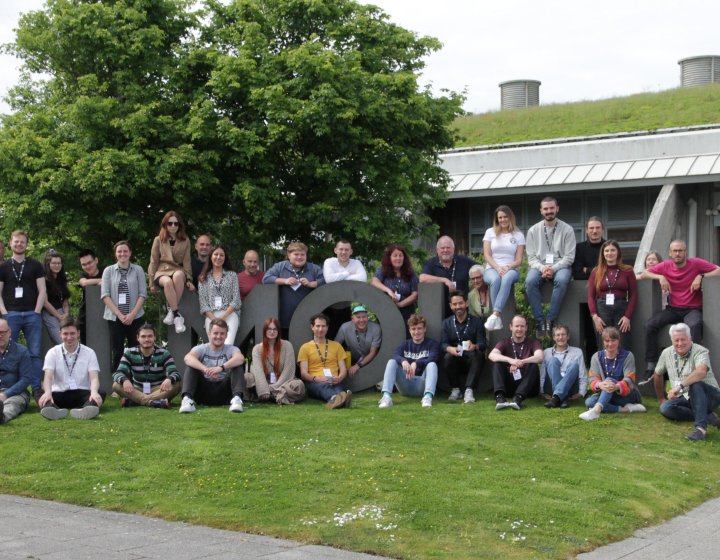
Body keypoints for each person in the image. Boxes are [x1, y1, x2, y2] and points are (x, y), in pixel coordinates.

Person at [639, 240, 720, 376]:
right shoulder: (665, 266)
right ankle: (651, 365)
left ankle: (694, 365)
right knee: (650, 325)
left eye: (680, 250)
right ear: (670, 253)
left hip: (693, 309)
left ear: (685, 252)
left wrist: (701, 276)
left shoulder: (696, 263)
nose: (678, 253)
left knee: (695, 325)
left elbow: (718, 270)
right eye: (675, 251)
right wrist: (660, 277)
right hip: (673, 309)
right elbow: (644, 274)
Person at [652, 323, 720, 441]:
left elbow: (701, 371)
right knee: (665, 408)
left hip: (709, 396)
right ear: (671, 340)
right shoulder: (666, 353)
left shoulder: (700, 351)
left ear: (690, 338)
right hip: (685, 397)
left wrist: (680, 386)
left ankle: (700, 429)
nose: (680, 343)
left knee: (696, 384)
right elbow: (657, 374)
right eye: (676, 340)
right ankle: (706, 416)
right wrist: (661, 398)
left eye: (683, 339)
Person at [0, 230, 46, 401]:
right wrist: (4, 313)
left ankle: (35, 389)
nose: (19, 244)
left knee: (34, 352)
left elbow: (42, 290)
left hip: (31, 315)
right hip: (10, 314)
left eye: (22, 242)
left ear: (27, 244)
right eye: (16, 241)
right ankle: (11, 387)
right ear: (11, 243)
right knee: (8, 351)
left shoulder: (35, 265)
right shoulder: (3, 267)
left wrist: (36, 311)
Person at [524, 197, 576, 338]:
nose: (549, 211)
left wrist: (553, 268)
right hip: (539, 265)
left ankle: (551, 320)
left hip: (561, 265)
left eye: (551, 208)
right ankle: (540, 321)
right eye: (546, 209)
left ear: (557, 208)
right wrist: (543, 269)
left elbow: (569, 257)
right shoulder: (533, 230)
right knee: (529, 282)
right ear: (541, 211)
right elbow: (531, 258)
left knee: (562, 280)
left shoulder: (567, 229)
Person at [38, 317, 105, 420]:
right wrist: (47, 392)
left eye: (72, 333)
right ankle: (52, 410)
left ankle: (86, 409)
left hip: (81, 393)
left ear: (78, 333)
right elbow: (48, 377)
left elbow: (94, 378)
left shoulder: (89, 352)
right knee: (39, 393)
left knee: (100, 393)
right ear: (60, 334)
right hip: (58, 393)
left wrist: (94, 392)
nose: (69, 337)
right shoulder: (52, 352)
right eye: (65, 334)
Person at [179, 319, 246, 413]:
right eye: (215, 333)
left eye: (222, 333)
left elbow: (240, 358)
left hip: (225, 392)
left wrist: (220, 368)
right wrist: (206, 369)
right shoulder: (201, 348)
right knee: (191, 367)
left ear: (226, 335)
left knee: (237, 365)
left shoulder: (232, 349)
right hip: (204, 392)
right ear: (209, 333)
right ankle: (187, 400)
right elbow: (187, 358)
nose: (219, 336)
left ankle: (237, 400)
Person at [579, 326, 646, 421]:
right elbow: (593, 379)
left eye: (613, 340)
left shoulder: (628, 355)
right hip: (607, 393)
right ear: (603, 342)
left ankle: (597, 410)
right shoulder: (596, 357)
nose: (610, 344)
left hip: (627, 395)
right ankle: (625, 409)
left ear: (618, 341)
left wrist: (616, 387)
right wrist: (600, 384)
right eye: (607, 341)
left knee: (609, 380)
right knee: (589, 402)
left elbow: (630, 379)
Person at [101, 241, 147, 373]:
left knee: (137, 348)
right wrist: (120, 315)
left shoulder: (138, 270)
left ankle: (136, 378)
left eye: (125, 251)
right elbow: (105, 295)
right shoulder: (108, 271)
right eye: (119, 251)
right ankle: (118, 381)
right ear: (115, 254)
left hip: (135, 316)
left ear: (130, 253)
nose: (122, 254)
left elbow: (142, 294)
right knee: (117, 349)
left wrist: (132, 314)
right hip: (115, 318)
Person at [112, 323, 181, 408]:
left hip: (158, 389)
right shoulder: (129, 353)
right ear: (138, 338)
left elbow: (175, 373)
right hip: (137, 390)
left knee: (177, 385)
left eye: (150, 336)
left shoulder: (164, 353)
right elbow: (118, 373)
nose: (147, 339)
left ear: (154, 337)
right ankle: (154, 403)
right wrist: (125, 380)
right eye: (143, 336)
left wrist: (169, 379)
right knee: (116, 385)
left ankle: (136, 401)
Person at [378, 313, 439, 408]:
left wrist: (416, 363)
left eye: (419, 328)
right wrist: (403, 361)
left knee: (432, 365)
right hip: (405, 383)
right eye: (413, 329)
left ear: (424, 329)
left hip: (422, 385)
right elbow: (396, 355)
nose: (416, 332)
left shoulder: (432, 344)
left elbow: (433, 358)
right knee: (392, 361)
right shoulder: (405, 344)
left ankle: (428, 397)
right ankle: (386, 397)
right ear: (410, 330)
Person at [148, 210, 194, 334]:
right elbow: (153, 261)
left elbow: (187, 262)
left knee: (179, 275)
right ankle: (177, 314)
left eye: (176, 223)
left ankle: (171, 310)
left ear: (179, 225)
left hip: (178, 269)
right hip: (162, 271)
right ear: (165, 225)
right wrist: (151, 282)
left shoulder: (185, 240)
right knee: (167, 282)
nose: (173, 226)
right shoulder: (158, 240)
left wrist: (189, 279)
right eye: (170, 223)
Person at [262, 242, 324, 333]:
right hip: (284, 317)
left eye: (302, 254)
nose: (299, 257)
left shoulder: (314, 268)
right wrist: (284, 281)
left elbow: (325, 281)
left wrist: (312, 284)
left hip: (308, 317)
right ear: (289, 255)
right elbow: (266, 279)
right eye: (296, 254)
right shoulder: (280, 266)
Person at [587, 240, 637, 350]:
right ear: (603, 253)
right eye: (607, 251)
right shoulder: (596, 271)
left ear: (618, 252)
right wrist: (594, 316)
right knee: (604, 341)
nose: (610, 253)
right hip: (602, 308)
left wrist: (627, 316)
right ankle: (604, 367)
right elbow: (590, 296)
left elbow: (633, 295)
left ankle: (623, 367)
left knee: (623, 341)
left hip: (621, 308)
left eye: (613, 250)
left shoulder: (627, 270)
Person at [482, 205, 525, 331]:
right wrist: (497, 267)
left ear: (510, 217)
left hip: (511, 269)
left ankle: (495, 314)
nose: (503, 220)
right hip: (492, 268)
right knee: (495, 280)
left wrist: (508, 267)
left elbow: (519, 260)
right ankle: (497, 317)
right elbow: (487, 254)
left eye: (505, 217)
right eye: (500, 217)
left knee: (506, 278)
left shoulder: (518, 235)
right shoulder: (490, 232)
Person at [441, 290, 486, 404]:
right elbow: (443, 344)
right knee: (447, 357)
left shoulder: (477, 322)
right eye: (455, 304)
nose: (458, 306)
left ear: (466, 303)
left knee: (479, 354)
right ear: (451, 306)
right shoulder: (446, 323)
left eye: (460, 303)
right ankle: (455, 389)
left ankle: (469, 390)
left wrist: (475, 346)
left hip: (471, 358)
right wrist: (450, 349)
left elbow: (483, 344)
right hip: (455, 357)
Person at [488, 315, 543, 410]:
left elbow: (540, 357)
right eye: (517, 326)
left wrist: (521, 362)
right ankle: (500, 398)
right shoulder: (504, 342)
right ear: (511, 327)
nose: (519, 329)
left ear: (526, 327)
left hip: (528, 389)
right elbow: (492, 355)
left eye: (522, 326)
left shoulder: (533, 342)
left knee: (533, 365)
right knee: (497, 364)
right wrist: (511, 360)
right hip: (509, 387)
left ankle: (518, 398)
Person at [246, 317, 305, 404]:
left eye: (275, 329)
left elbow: (288, 371)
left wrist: (273, 387)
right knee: (247, 377)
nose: (272, 332)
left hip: (283, 383)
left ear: (278, 331)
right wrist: (263, 388)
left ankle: (270, 395)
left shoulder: (287, 346)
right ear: (264, 331)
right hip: (264, 381)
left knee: (298, 385)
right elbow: (257, 370)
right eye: (269, 329)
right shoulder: (257, 349)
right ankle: (274, 395)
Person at [298, 313, 351, 409]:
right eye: (317, 326)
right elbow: (303, 374)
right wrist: (316, 378)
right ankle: (337, 398)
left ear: (327, 328)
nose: (320, 329)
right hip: (314, 382)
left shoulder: (336, 346)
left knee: (337, 387)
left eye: (323, 326)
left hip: (334, 381)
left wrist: (339, 377)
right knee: (323, 387)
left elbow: (343, 369)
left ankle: (338, 399)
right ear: (312, 327)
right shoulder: (305, 347)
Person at [420, 236, 477, 315]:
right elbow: (422, 278)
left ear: (453, 249)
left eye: (448, 248)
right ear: (437, 250)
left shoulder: (464, 261)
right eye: (442, 248)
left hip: (462, 309)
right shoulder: (431, 263)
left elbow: (479, 270)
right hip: (440, 311)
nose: (445, 250)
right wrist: (444, 280)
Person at [198, 245, 241, 345]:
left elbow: (236, 300)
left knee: (228, 344)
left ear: (225, 258)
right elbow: (203, 303)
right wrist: (214, 320)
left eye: (222, 255)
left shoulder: (232, 275)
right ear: (211, 256)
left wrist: (223, 317)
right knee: (215, 346)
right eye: (216, 254)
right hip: (211, 316)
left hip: (229, 314)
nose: (218, 257)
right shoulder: (203, 278)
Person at [540, 324, 587, 408]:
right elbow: (542, 374)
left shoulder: (577, 352)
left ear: (568, 336)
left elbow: (582, 374)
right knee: (553, 360)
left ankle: (556, 398)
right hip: (551, 386)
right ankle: (563, 397)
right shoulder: (546, 352)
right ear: (554, 337)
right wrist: (542, 392)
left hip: (571, 386)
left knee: (574, 365)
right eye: (558, 335)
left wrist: (581, 392)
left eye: (563, 334)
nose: (560, 337)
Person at [371, 243, 418, 326]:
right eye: (395, 256)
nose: (398, 258)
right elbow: (374, 281)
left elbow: (415, 294)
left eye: (400, 255)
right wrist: (388, 291)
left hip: (407, 313)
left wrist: (400, 305)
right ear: (389, 258)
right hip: (386, 311)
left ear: (404, 258)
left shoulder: (411, 272)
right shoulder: (383, 270)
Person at [0, 319, 33, 425]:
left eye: (2, 333)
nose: (0, 336)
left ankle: (2, 416)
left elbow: (26, 379)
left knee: (13, 404)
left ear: (9, 332)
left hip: (15, 393)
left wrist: (5, 394)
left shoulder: (22, 351)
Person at [335, 305, 382, 376]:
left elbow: (373, 352)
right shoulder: (345, 327)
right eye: (358, 317)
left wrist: (358, 365)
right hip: (352, 359)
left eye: (364, 317)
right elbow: (335, 346)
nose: (361, 320)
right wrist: (342, 365)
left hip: (371, 361)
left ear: (367, 317)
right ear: (352, 319)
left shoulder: (376, 328)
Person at [41, 250, 70, 344]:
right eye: (54, 263)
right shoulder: (44, 280)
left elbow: (65, 301)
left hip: (62, 313)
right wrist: (59, 316)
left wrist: (66, 313)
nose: (57, 265)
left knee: (70, 339)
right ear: (48, 264)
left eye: (59, 263)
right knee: (62, 342)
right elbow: (45, 302)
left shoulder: (61, 280)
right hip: (50, 314)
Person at [77, 249, 102, 344]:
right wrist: (103, 281)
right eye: (83, 264)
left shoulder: (106, 271)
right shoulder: (82, 274)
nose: (87, 266)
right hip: (85, 315)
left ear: (96, 260)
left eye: (89, 263)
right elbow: (84, 283)